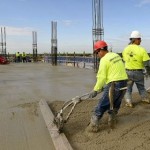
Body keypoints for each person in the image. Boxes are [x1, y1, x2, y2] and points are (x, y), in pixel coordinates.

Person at [87, 40, 128, 132]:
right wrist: (105, 85)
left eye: (97, 53)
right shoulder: (116, 55)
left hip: (114, 85)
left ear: (100, 50)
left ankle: (93, 127)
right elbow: (114, 71)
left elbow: (101, 77)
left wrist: (95, 90)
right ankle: (112, 121)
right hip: (124, 83)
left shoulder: (104, 60)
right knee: (115, 103)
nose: (97, 55)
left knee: (101, 105)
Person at [122, 30, 150, 108]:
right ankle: (145, 98)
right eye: (140, 39)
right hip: (138, 72)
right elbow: (147, 63)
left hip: (127, 72)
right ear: (136, 39)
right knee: (141, 87)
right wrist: (147, 71)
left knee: (128, 89)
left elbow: (124, 60)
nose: (141, 41)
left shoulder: (125, 49)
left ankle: (128, 102)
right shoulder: (142, 49)